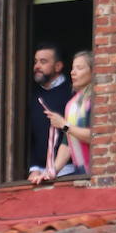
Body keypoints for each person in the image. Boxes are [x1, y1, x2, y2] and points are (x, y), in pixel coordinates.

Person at [42, 50, 94, 180]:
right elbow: (67, 144)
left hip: (96, 174)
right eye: (72, 68)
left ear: (93, 72)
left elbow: (95, 136)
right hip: (80, 174)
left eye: (79, 68)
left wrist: (64, 125)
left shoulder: (95, 99)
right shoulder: (71, 104)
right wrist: (52, 171)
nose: (73, 72)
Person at [27, 43, 71, 184]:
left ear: (58, 66)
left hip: (69, 171)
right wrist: (34, 168)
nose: (37, 66)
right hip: (38, 173)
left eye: (43, 62)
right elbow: (30, 137)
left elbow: (72, 135)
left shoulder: (72, 92)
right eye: (35, 62)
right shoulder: (31, 95)